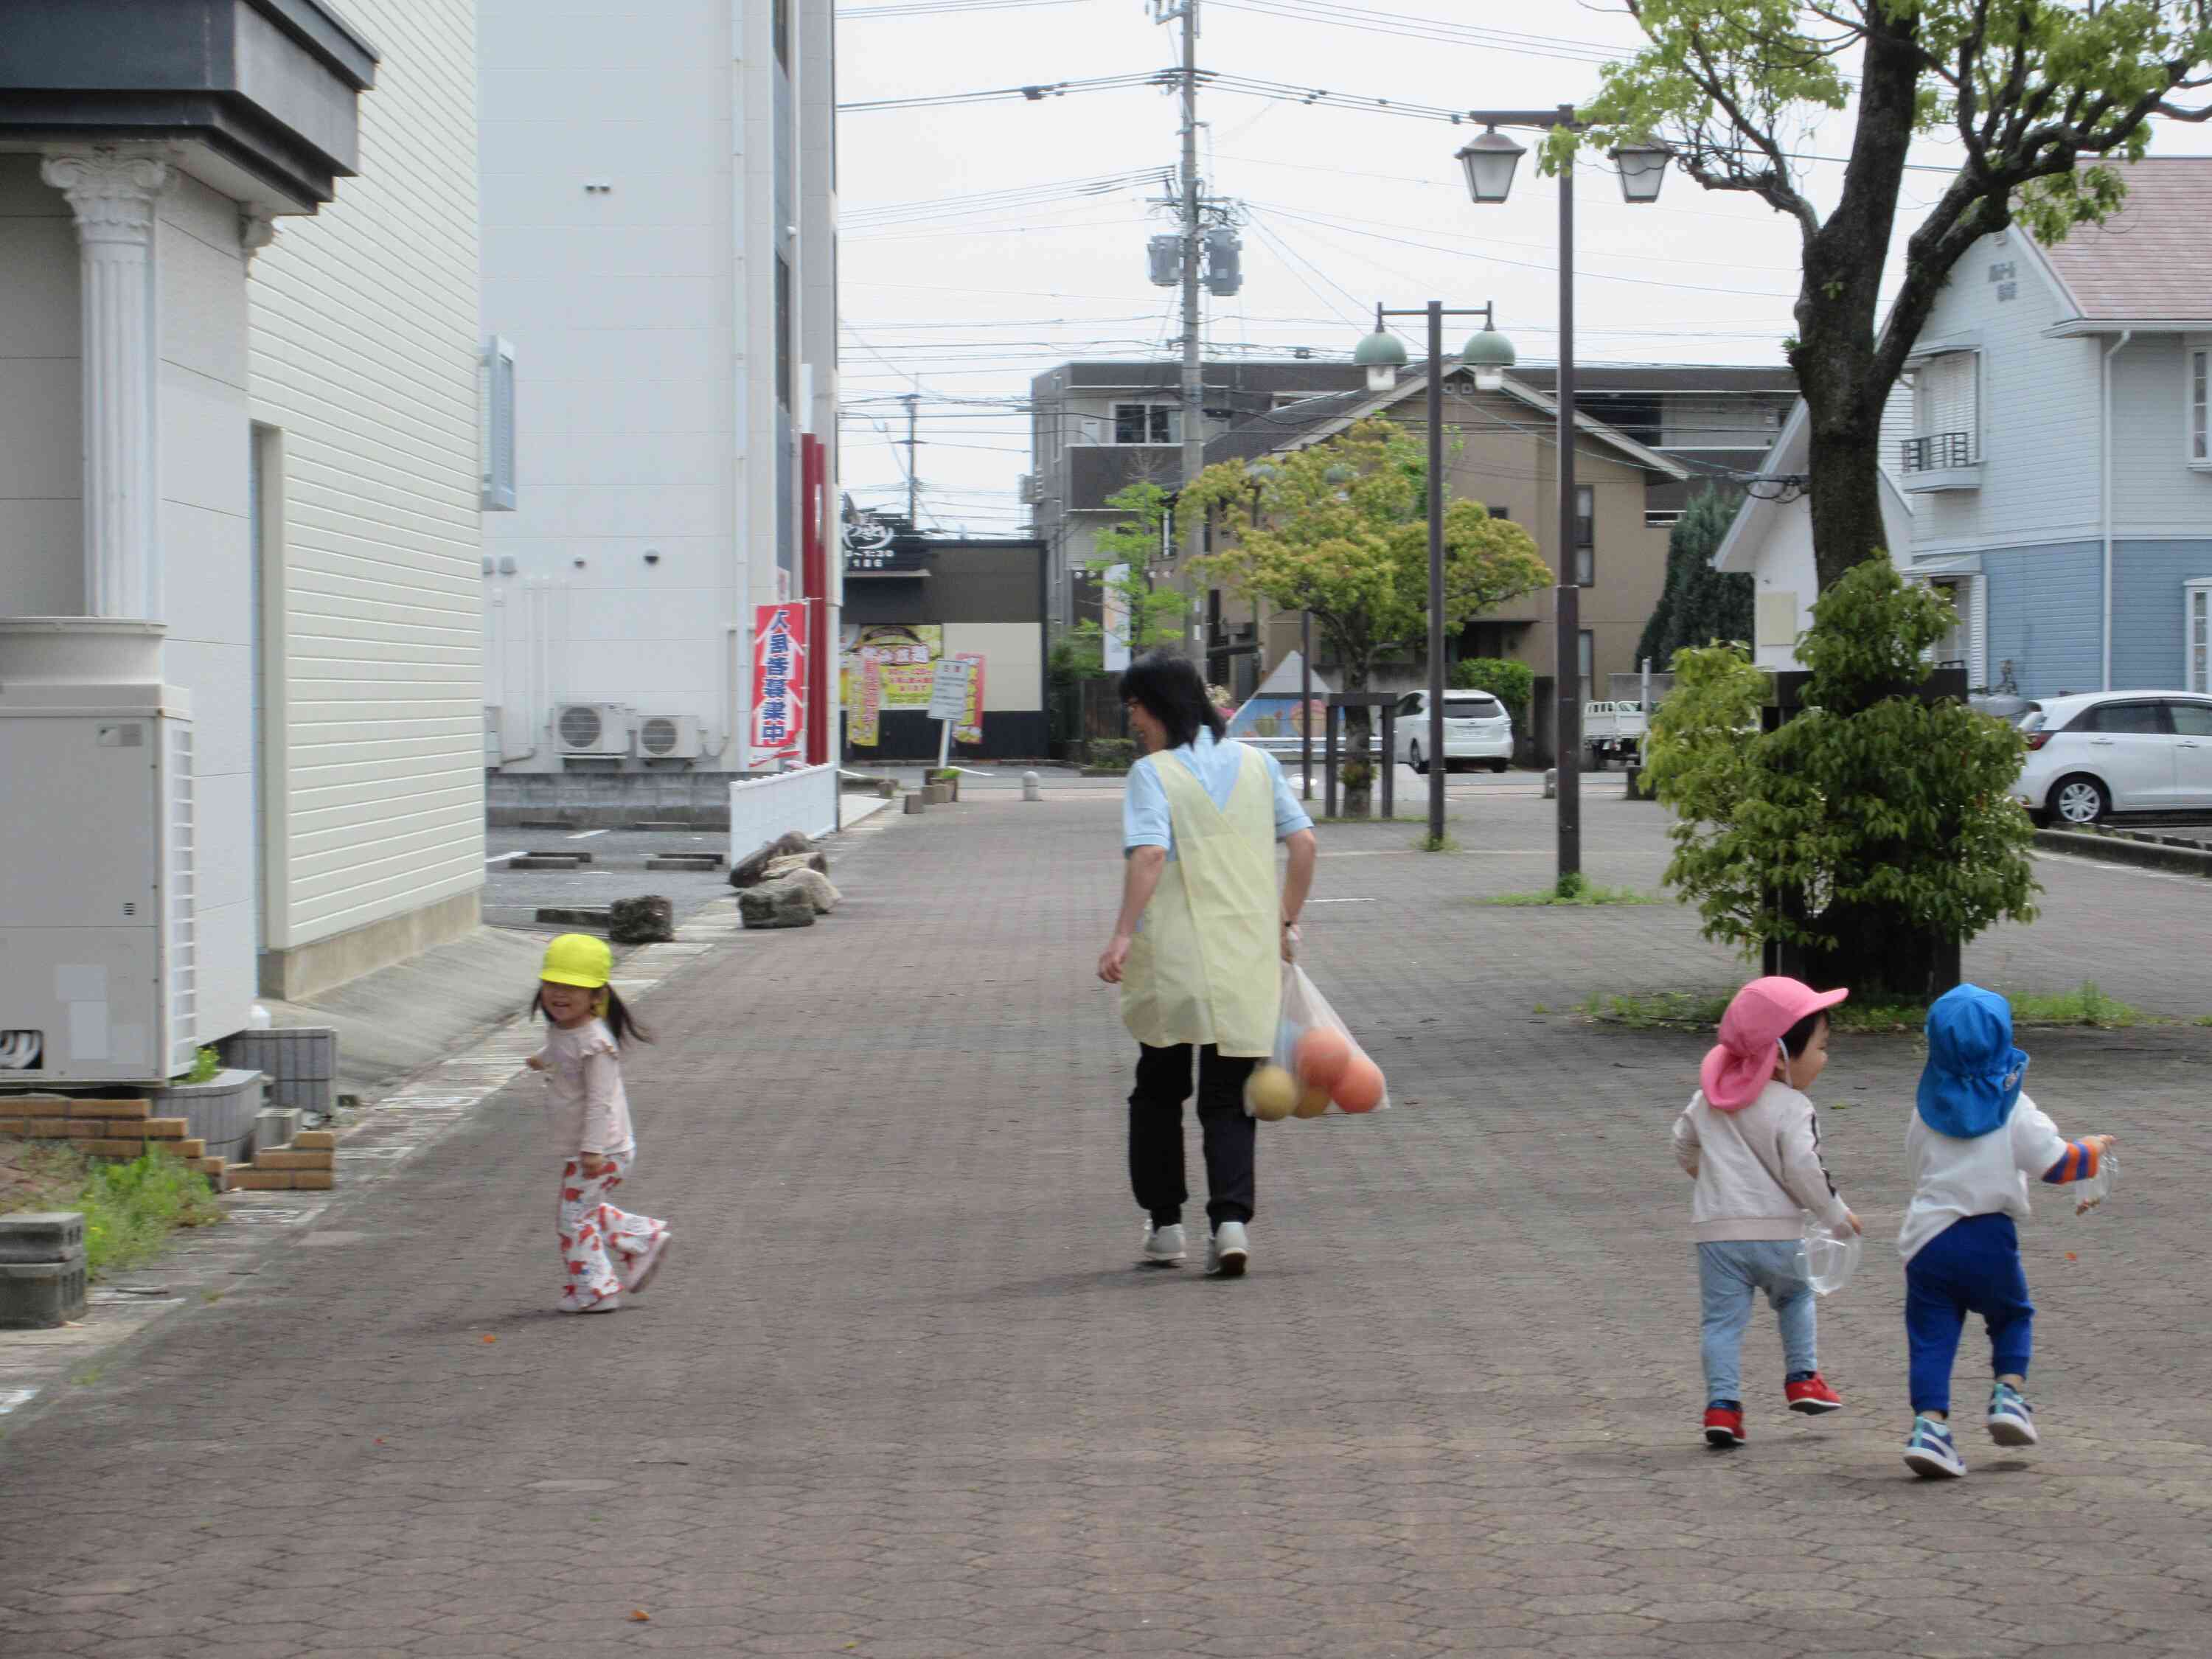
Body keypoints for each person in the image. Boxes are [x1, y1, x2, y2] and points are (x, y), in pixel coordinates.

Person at [1097, 651, 1317, 1278]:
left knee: (1159, 1090)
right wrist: (1284, 921)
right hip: (1245, 956)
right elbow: (1304, 844)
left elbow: (1148, 856)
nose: (1133, 718)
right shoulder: (1258, 762)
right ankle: (1230, 1224)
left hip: (1175, 958)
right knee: (1228, 1098)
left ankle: (1166, 1226)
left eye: (1135, 705)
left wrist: (1119, 936)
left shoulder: (1153, 773)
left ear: (1157, 704)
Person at [1897, 983, 2117, 1479]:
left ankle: (1929, 1428)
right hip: (1988, 1237)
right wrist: (2095, 1147)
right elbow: (2059, 1166)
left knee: (1932, 1338)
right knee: (2012, 1315)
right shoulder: (2015, 1108)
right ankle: (2008, 1396)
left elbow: (1917, 1169)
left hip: (1927, 1241)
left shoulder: (1924, 1110)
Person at [1672, 976, 1861, 1449]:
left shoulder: (1708, 1099)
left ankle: (1722, 1408)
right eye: (1820, 1047)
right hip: (1779, 1234)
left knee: (1721, 1323)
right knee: (1795, 1300)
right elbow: (1804, 1169)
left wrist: (1710, 1178)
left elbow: (1682, 1144)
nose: (1825, 1057)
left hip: (1718, 1235)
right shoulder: (1793, 1106)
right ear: (1780, 1055)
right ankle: (1802, 1379)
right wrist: (1836, 1215)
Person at [524, 934, 673, 1314]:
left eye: (572, 988)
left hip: (601, 1149)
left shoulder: (596, 1045)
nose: (559, 995)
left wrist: (592, 1150)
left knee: (572, 1219)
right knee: (580, 1210)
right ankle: (643, 1235)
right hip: (587, 1149)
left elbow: (600, 1101)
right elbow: (562, 1047)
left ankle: (595, 1289)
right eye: (552, 984)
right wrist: (543, 1058)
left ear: (596, 996)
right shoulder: (567, 1029)